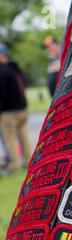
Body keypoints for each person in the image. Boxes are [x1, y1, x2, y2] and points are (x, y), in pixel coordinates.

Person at [0, 44, 31, 174]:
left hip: (9, 110)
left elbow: (1, 92)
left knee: (10, 138)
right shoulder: (15, 67)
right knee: (24, 136)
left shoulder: (2, 70)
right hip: (22, 108)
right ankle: (28, 161)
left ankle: (14, 164)